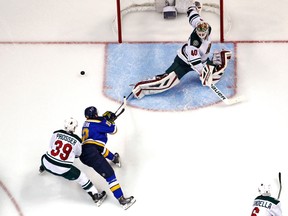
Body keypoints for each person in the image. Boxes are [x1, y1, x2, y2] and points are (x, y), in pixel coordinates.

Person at [132, 1, 232, 99]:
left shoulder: (202, 25)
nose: (200, 35)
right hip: (184, 62)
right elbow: (194, 60)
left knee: (213, 76)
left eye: (202, 33)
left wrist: (192, 8)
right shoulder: (194, 42)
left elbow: (193, 17)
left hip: (202, 60)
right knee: (168, 81)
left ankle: (219, 57)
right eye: (199, 33)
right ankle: (142, 88)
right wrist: (203, 72)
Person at [39, 117, 107, 206]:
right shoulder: (78, 140)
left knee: (45, 156)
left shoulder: (56, 133)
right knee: (82, 177)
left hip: (46, 163)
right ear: (75, 128)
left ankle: (42, 168)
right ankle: (95, 196)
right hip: (62, 169)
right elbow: (78, 154)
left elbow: (51, 146)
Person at [79, 106, 136, 210]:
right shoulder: (98, 123)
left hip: (85, 152)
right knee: (110, 175)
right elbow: (113, 130)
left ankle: (114, 158)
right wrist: (110, 121)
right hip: (92, 152)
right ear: (96, 114)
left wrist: (105, 119)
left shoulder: (86, 124)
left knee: (100, 148)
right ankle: (122, 200)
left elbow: (97, 125)